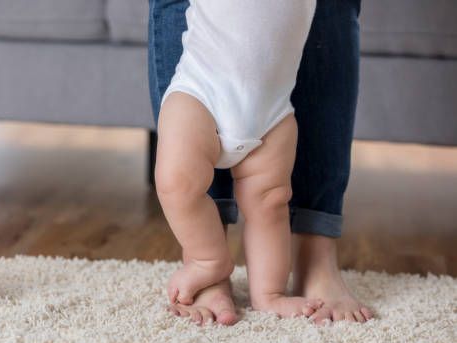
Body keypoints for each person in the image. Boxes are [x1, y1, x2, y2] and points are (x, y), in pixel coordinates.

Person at [148, 0, 373, 325]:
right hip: (200, 92)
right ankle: (205, 260)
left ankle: (269, 294)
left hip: (273, 113)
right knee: (177, 182)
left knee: (270, 204)